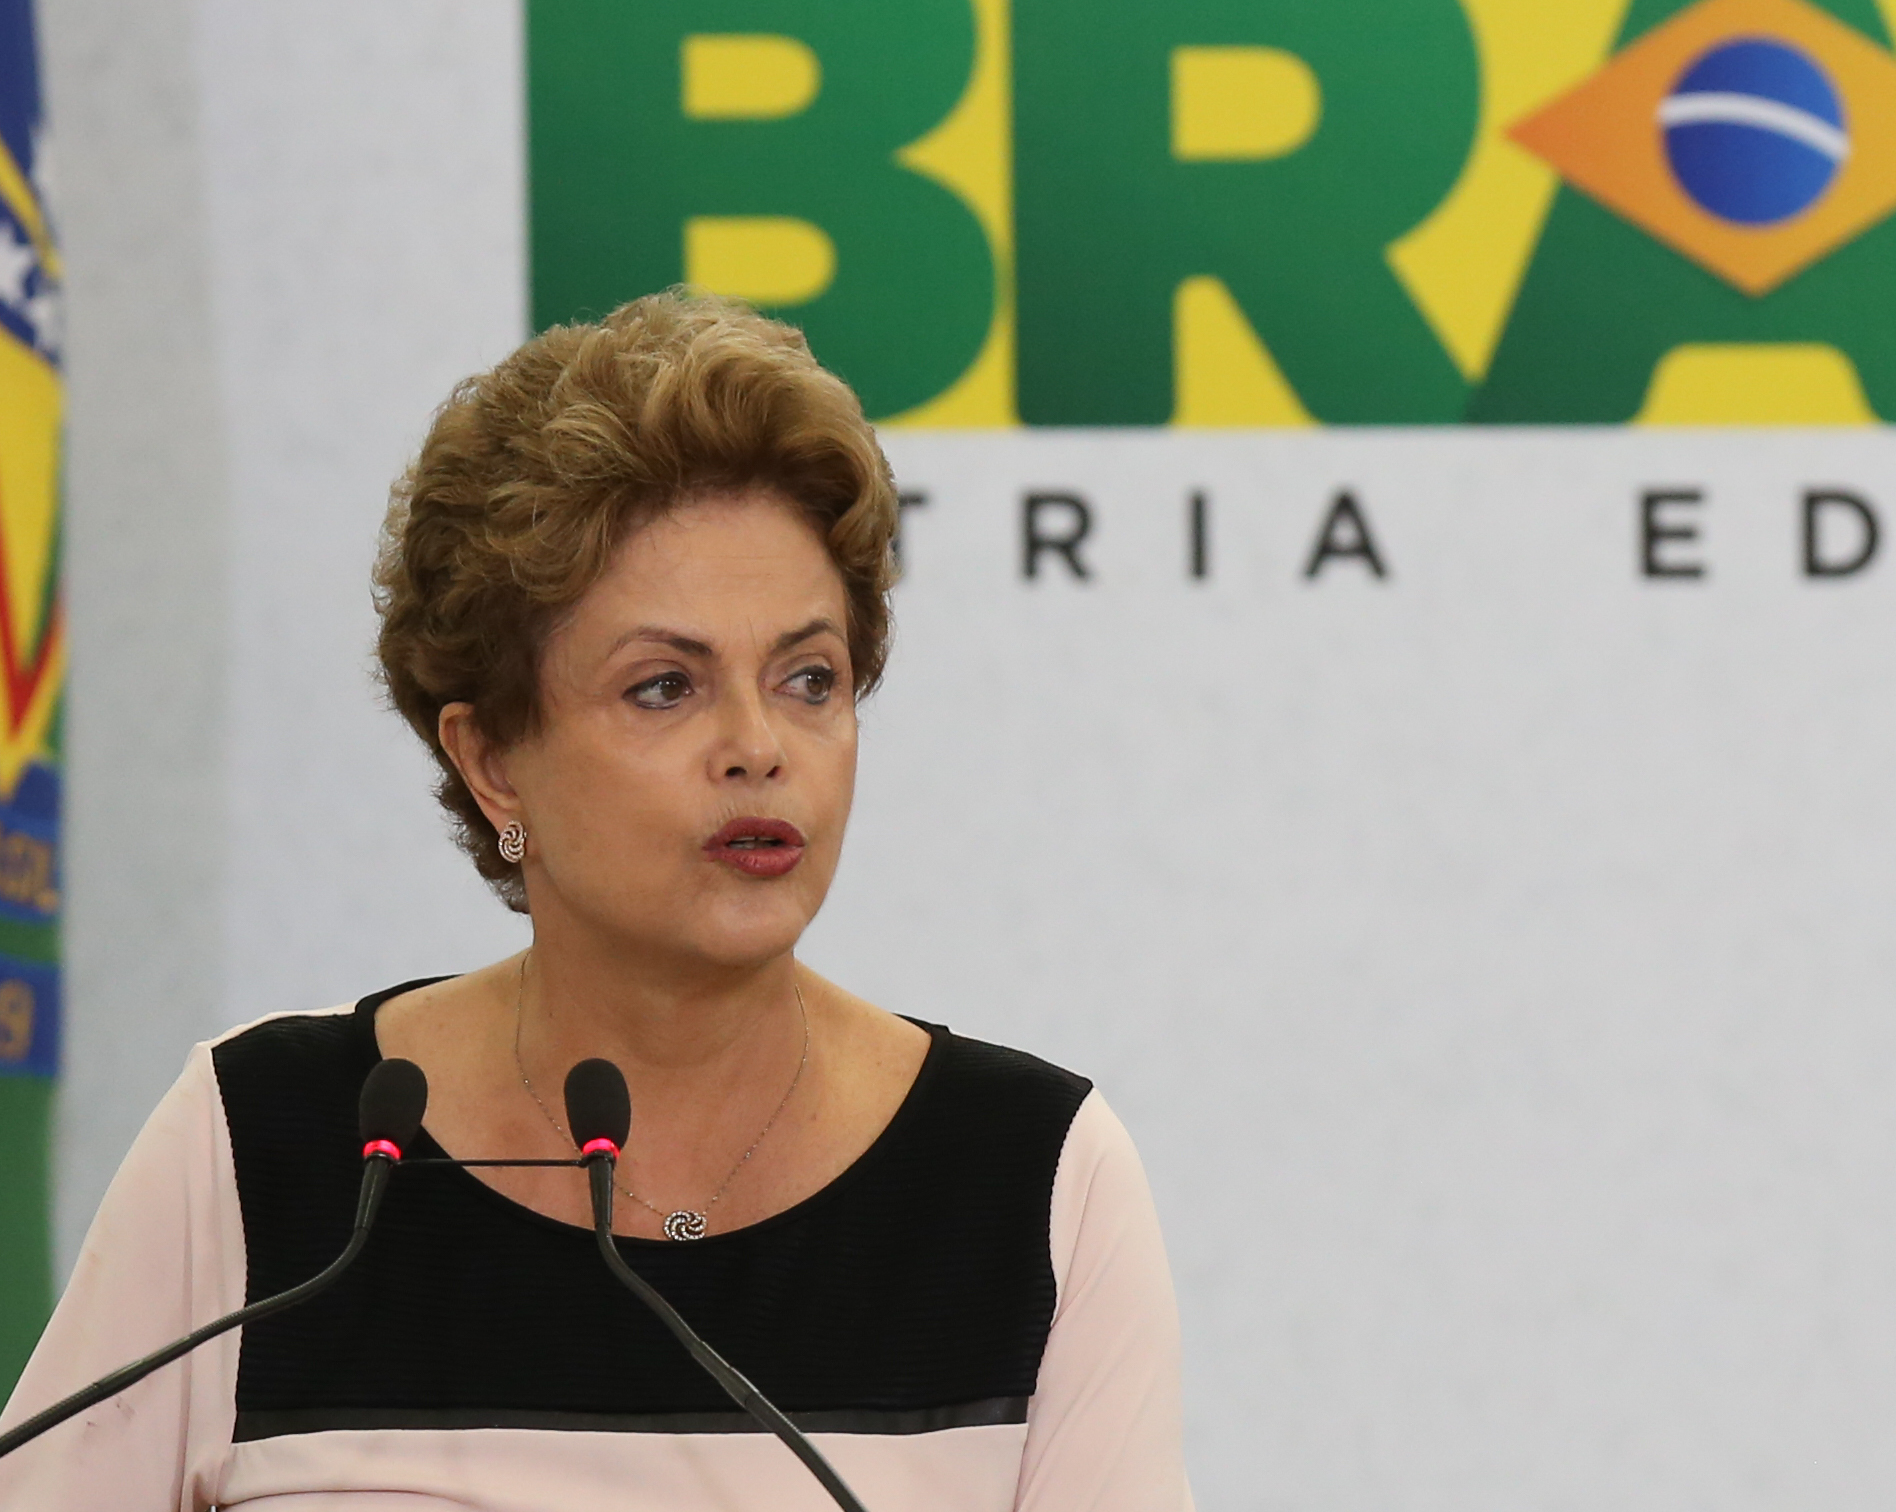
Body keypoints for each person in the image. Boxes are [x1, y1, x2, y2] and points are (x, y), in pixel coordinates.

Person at [0, 293, 1193, 1509]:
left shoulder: (1030, 1185)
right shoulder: (273, 1157)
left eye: (809, 678)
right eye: (665, 687)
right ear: (492, 759)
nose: (756, 745)